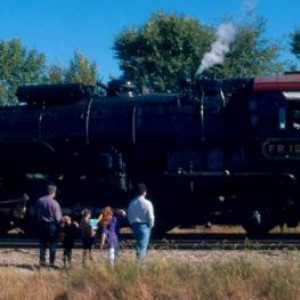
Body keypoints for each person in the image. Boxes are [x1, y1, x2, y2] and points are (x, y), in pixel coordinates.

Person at [34, 184, 62, 268]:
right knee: (52, 245)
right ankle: (51, 263)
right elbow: (58, 218)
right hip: (52, 226)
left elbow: (35, 212)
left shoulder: (39, 201)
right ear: (54, 192)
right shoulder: (55, 203)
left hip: (41, 225)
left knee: (43, 245)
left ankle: (42, 263)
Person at [127, 183, 155, 261]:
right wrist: (151, 225)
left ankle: (139, 263)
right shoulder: (148, 203)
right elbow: (151, 216)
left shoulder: (132, 203)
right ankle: (140, 267)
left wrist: (132, 224)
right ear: (144, 192)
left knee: (138, 247)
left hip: (135, 226)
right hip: (144, 226)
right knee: (143, 248)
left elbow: (129, 215)